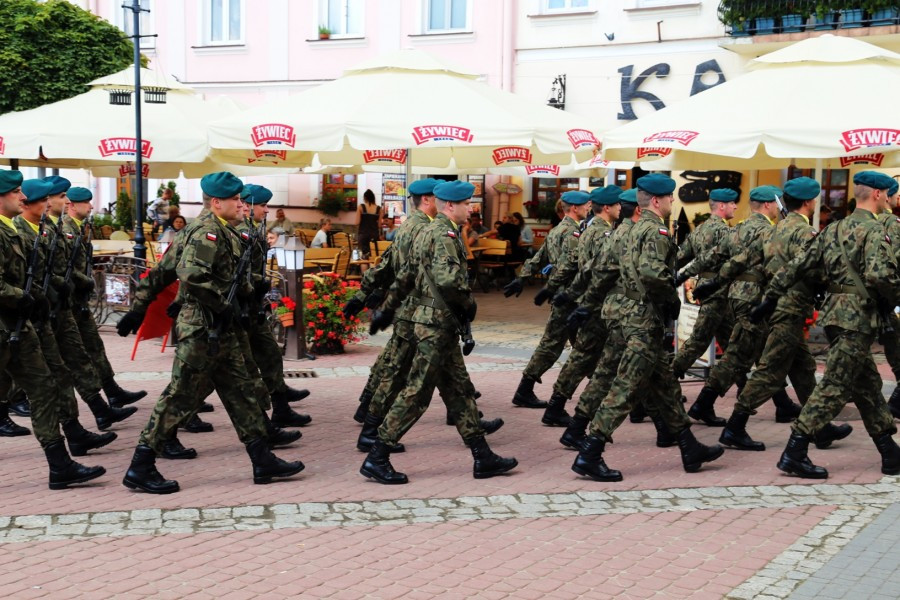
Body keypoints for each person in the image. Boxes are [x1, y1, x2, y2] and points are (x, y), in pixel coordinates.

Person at [122, 172, 304, 494]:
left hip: (222, 328)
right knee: (179, 397)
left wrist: (250, 290)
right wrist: (224, 305)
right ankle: (141, 465)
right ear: (216, 202)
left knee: (243, 393)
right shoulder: (206, 232)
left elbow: (226, 278)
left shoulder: (226, 231)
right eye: (235, 199)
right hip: (204, 327)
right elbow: (191, 276)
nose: (241, 204)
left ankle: (262, 459)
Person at [358, 180, 517, 484]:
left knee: (458, 390)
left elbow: (406, 274)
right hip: (435, 324)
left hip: (431, 320)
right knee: (417, 392)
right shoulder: (443, 235)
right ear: (449, 206)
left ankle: (482, 456)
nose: (470, 210)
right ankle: (377, 456)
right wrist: (468, 303)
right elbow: (447, 281)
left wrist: (388, 308)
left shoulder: (428, 231)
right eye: (467, 205)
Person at [571, 174, 723, 482]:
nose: (672, 203)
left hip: (625, 314)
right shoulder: (656, 231)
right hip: (643, 319)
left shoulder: (629, 230)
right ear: (657, 200)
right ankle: (590, 451)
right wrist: (671, 301)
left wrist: (588, 303)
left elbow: (605, 269)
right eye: (669, 198)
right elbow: (654, 275)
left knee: (664, 384)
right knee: (626, 386)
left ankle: (688, 445)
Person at [756, 171, 900, 479]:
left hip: (835, 316)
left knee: (867, 385)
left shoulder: (832, 229)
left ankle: (889, 451)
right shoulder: (875, 230)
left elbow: (799, 265)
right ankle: (794, 451)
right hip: (858, 318)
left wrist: (770, 297)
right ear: (876, 195)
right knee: (835, 386)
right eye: (887, 193)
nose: (888, 198)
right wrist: (893, 297)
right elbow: (881, 276)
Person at [720, 177, 847, 451]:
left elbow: (746, 259)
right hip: (790, 309)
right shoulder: (805, 233)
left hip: (775, 306)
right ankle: (734, 426)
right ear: (809, 202)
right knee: (770, 373)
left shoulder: (774, 230)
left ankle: (820, 427)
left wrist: (715, 279)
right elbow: (815, 270)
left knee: (803, 369)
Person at [0, 170, 106, 489]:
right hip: (8, 324)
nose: (23, 197)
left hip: (19, 327)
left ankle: (60, 464)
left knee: (45, 387)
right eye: (15, 191)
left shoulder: (12, 231)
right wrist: (26, 297)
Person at [678, 186, 788, 426]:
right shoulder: (764, 231)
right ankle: (677, 393)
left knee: (743, 348)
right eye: (731, 203)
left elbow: (695, 256)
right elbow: (740, 261)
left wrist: (681, 275)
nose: (735, 206)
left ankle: (781, 402)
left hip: (726, 293)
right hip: (738, 295)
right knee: (730, 351)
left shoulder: (732, 228)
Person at [541, 185, 621, 427]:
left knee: (589, 357)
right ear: (607, 208)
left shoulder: (589, 230)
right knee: (587, 357)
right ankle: (562, 409)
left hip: (592, 301)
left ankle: (557, 406)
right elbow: (599, 271)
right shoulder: (601, 233)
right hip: (598, 304)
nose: (621, 208)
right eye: (617, 205)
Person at [504, 190, 590, 409]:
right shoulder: (572, 233)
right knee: (559, 345)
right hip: (570, 297)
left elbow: (536, 258)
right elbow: (568, 266)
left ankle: (528, 390)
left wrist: (522, 279)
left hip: (564, 296)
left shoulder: (556, 231)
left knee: (582, 345)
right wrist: (548, 286)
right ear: (573, 208)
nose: (588, 208)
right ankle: (527, 391)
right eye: (585, 205)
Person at [671, 188, 739, 381]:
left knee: (733, 345)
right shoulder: (726, 231)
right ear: (722, 205)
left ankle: (745, 386)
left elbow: (680, 257)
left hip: (705, 288)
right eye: (733, 202)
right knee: (699, 341)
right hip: (719, 291)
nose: (735, 206)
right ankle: (667, 379)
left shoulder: (700, 229)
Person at [357, 189, 380, 257]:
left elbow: (357, 222)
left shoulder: (361, 207)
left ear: (365, 198)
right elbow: (379, 225)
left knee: (364, 257)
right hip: (374, 234)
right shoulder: (379, 209)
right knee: (373, 255)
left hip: (363, 234)